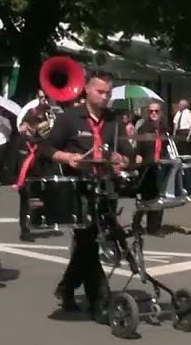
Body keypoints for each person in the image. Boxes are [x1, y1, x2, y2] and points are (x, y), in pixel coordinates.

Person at [41, 70, 131, 316]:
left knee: (88, 243)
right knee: (88, 242)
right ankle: (100, 301)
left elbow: (126, 152)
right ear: (87, 90)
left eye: (108, 93)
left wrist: (121, 158)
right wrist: (68, 157)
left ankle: (66, 287)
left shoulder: (114, 120)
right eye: (100, 92)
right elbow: (46, 148)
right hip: (79, 188)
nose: (105, 97)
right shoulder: (69, 118)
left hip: (106, 187)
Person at [14, 103, 50, 241]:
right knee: (25, 203)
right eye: (36, 122)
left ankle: (33, 223)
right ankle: (25, 230)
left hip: (36, 174)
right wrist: (14, 178)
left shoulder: (39, 140)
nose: (38, 124)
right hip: (24, 177)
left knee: (35, 201)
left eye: (38, 122)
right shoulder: (21, 139)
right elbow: (13, 159)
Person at [132, 101, 169, 236]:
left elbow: (167, 146)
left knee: (160, 198)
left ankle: (154, 228)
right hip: (148, 166)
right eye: (151, 111)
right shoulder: (144, 128)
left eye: (156, 111)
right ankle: (136, 222)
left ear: (160, 113)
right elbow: (139, 148)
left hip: (161, 165)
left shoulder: (164, 128)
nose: (153, 114)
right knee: (148, 199)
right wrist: (137, 158)